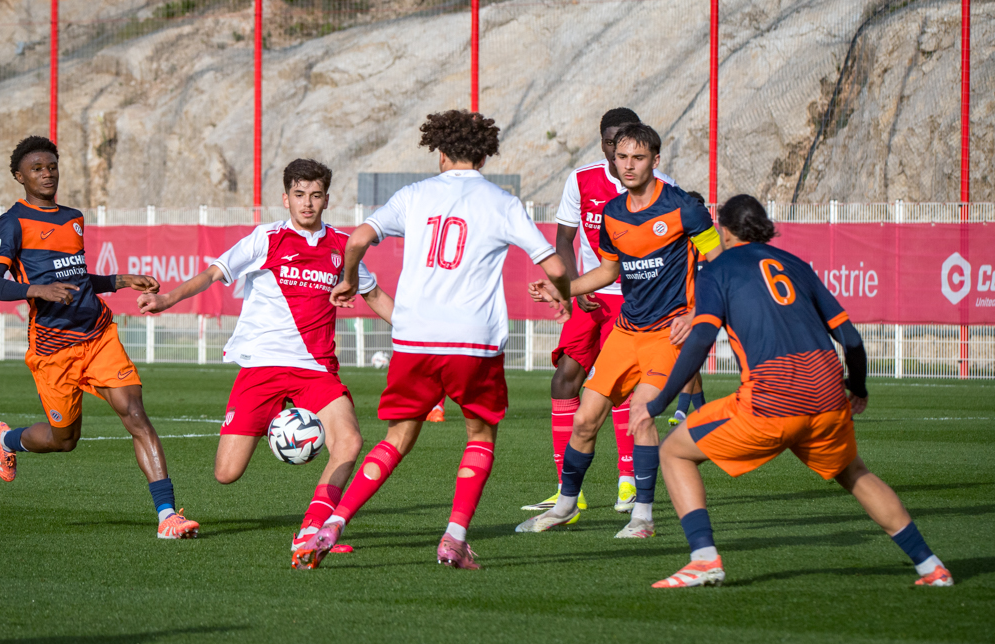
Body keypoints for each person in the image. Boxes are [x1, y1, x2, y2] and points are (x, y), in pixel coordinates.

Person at [293, 110, 571, 570]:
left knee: (397, 438)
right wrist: (562, 297)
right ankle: (454, 538)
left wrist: (349, 279)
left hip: (414, 339)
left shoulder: (414, 195)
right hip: (473, 343)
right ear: (484, 156)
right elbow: (556, 266)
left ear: (440, 153)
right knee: (480, 435)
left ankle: (334, 523)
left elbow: (357, 238)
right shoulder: (502, 202)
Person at [632, 195, 953, 588]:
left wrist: (657, 402)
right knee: (855, 473)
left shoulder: (717, 269)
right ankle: (931, 567)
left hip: (772, 398)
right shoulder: (797, 265)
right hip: (827, 393)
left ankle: (703, 559)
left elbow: (700, 339)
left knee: (674, 452)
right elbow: (851, 339)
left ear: (724, 231)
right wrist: (858, 387)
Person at [138, 159, 394, 555]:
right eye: (299, 195)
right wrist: (167, 299)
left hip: (316, 369)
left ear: (327, 199)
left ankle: (311, 531)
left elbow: (373, 295)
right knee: (226, 473)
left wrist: (419, 335)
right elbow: (213, 274)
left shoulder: (343, 247)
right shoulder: (267, 239)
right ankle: (279, 423)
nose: (307, 203)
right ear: (286, 198)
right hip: (263, 366)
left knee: (350, 441)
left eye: (315, 195)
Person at [0, 135, 199, 539]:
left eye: (52, 166)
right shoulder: (12, 223)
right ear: (19, 176)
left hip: (99, 335)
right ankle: (7, 439)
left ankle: (167, 516)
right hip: (53, 348)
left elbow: (78, 278)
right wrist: (38, 290)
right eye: (36, 169)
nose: (47, 174)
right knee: (64, 440)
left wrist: (121, 280)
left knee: (135, 415)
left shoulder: (73, 218)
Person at [517, 123, 721, 538]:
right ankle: (565, 506)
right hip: (626, 333)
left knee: (641, 415)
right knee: (583, 420)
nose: (628, 165)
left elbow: (722, 266)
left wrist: (697, 314)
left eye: (638, 158)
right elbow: (608, 271)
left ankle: (642, 517)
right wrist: (561, 290)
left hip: (668, 334)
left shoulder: (685, 209)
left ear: (655, 161)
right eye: (622, 157)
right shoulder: (613, 213)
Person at [667, 190, 709, 427]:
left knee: (688, 358)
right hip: (679, 310)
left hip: (700, 310)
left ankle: (681, 410)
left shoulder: (707, 242)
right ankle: (703, 412)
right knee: (689, 362)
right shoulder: (677, 241)